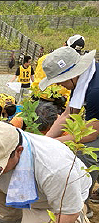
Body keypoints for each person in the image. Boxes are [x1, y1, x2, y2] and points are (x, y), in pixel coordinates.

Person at [39, 46, 99, 212]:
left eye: (60, 79)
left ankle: (79, 208)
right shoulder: (82, 81)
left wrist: (56, 143)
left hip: (95, 128)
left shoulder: (95, 90)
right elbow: (68, 115)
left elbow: (91, 133)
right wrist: (44, 141)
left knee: (85, 154)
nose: (58, 84)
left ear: (72, 74)